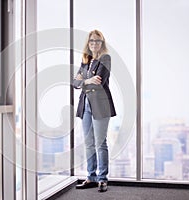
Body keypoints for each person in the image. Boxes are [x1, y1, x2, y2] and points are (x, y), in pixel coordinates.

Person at [73, 30, 116, 192]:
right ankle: (91, 177)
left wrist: (83, 81)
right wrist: (87, 80)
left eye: (97, 41)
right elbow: (73, 82)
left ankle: (102, 179)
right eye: (91, 41)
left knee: (100, 143)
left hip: (100, 105)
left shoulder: (105, 58)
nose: (94, 44)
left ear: (102, 43)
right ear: (88, 42)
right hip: (85, 105)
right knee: (89, 143)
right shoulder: (85, 60)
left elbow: (98, 82)